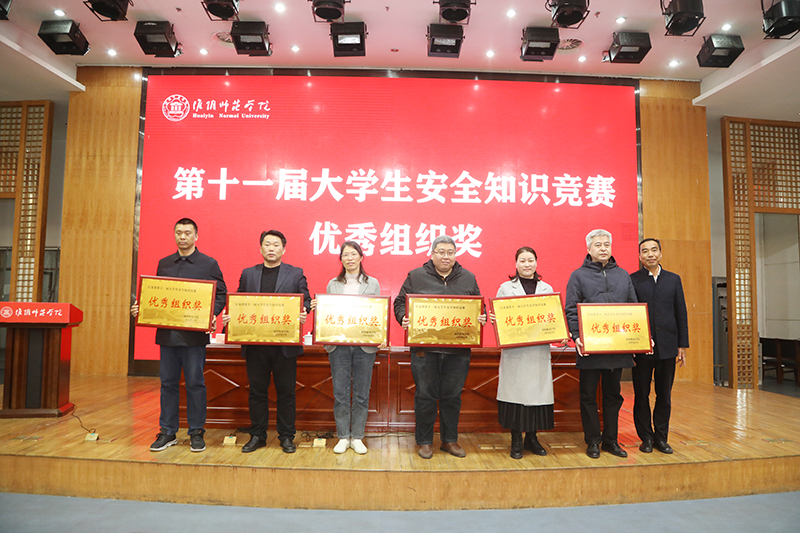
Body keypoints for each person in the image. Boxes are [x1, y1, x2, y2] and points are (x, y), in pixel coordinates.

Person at [131, 217, 227, 453]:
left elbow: (221, 294)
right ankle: (167, 431)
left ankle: (196, 431)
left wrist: (211, 314)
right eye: (178, 233)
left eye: (187, 233)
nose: (182, 237)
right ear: (174, 235)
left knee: (195, 383)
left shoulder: (208, 264)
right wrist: (142, 307)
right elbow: (157, 296)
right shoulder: (164, 263)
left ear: (196, 236)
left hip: (194, 337)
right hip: (168, 336)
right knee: (168, 384)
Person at [394, 235, 485, 459]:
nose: (446, 256)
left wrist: (480, 317)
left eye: (450, 252)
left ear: (455, 255)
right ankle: (424, 441)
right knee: (425, 395)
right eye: (441, 252)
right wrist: (404, 316)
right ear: (432, 254)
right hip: (425, 350)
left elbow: (478, 306)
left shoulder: (468, 277)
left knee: (452, 397)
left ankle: (449, 440)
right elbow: (400, 302)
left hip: (458, 351)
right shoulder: (416, 276)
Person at [227, 230, 311, 454]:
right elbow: (238, 301)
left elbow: (306, 300)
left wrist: (304, 310)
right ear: (261, 248)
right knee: (257, 392)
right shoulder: (248, 274)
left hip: (285, 345)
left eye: (276, 244)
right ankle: (258, 435)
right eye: (267, 244)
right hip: (256, 345)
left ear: (284, 249)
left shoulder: (295, 273)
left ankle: (286, 436)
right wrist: (230, 316)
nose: (271, 248)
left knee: (286, 393)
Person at [565, 229, 636, 459]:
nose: (603, 248)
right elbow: (571, 309)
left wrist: (635, 338)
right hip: (590, 347)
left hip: (616, 348)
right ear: (588, 249)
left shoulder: (623, 275)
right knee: (588, 396)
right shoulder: (578, 276)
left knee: (613, 396)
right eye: (598, 245)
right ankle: (593, 441)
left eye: (607, 244)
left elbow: (633, 308)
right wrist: (577, 336)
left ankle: (611, 440)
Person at [310, 241, 382, 455]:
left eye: (353, 254)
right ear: (340, 259)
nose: (350, 258)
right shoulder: (333, 284)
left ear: (361, 257)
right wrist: (318, 308)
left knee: (361, 394)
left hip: (364, 347)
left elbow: (378, 312)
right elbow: (328, 314)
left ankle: (357, 436)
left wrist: (380, 336)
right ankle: (343, 436)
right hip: (339, 346)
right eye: (345, 255)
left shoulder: (372, 283)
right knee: (340, 393)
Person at [494, 246, 565, 459]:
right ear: (516, 264)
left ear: (536, 262)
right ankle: (516, 439)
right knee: (516, 398)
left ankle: (532, 438)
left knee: (537, 397)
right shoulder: (506, 288)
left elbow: (553, 318)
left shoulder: (547, 288)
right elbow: (501, 321)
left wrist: (560, 332)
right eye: (522, 261)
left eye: (530, 260)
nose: (527, 264)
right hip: (516, 353)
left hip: (537, 352)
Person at [630, 238, 689, 455]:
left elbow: (681, 312)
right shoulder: (632, 280)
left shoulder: (673, 279)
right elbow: (629, 313)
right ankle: (646, 437)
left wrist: (682, 344)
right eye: (645, 251)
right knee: (641, 394)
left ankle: (661, 437)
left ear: (660, 253)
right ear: (640, 256)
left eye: (654, 250)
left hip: (668, 346)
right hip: (642, 348)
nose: (650, 254)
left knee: (664, 395)